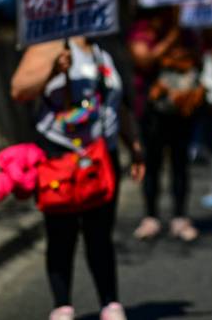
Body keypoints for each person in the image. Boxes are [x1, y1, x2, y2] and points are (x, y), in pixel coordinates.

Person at [11, 37, 145, 320]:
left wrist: (133, 145)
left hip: (100, 156)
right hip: (59, 156)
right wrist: (52, 70)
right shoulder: (46, 46)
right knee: (61, 233)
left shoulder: (102, 49)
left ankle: (110, 303)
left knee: (100, 233)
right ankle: (62, 305)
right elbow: (19, 90)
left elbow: (115, 104)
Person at [129, 7, 203, 242]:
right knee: (152, 162)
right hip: (152, 111)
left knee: (180, 163)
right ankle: (150, 216)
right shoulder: (142, 31)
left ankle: (180, 216)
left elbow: (197, 57)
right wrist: (171, 39)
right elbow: (144, 60)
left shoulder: (187, 30)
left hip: (181, 108)